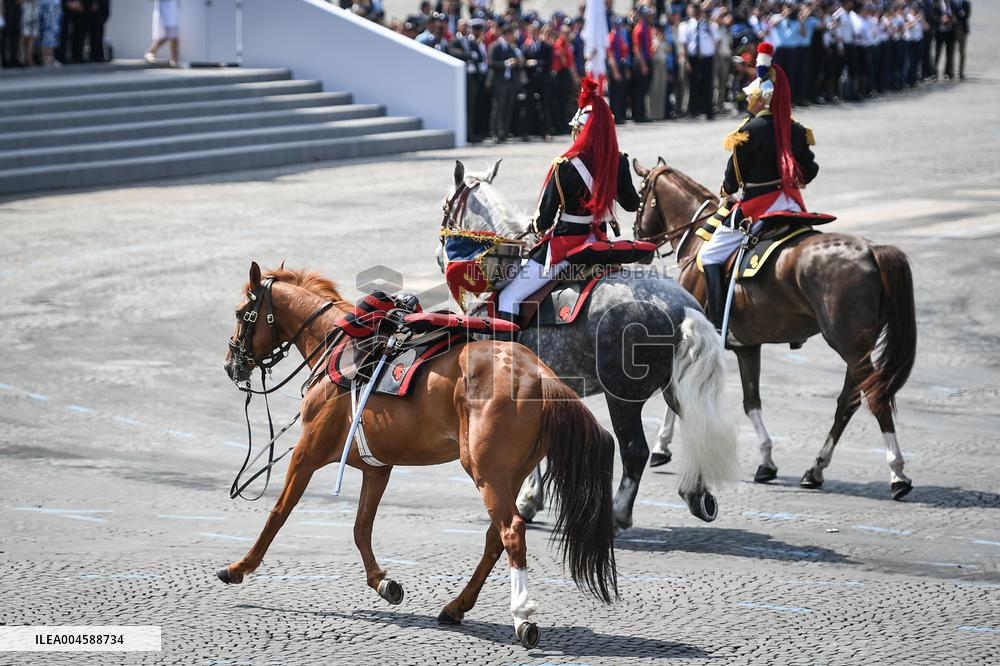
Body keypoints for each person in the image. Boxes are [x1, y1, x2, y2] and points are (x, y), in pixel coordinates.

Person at [495, 76, 639, 324]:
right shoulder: (619, 160)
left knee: (509, 296)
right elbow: (631, 204)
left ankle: (508, 360)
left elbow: (543, 221)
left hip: (567, 246)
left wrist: (536, 226)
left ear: (581, 131)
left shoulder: (564, 166)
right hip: (600, 241)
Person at [699, 42, 819, 331]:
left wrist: (727, 188)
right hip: (789, 203)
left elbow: (733, 179)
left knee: (709, 255)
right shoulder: (796, 129)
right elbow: (810, 170)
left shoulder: (748, 132)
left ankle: (718, 324)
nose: (748, 102)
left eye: (751, 97)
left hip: (758, 207)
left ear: (762, 100)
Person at [488, 22, 522, 142]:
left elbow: (517, 64)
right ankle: (495, 132)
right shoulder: (495, 46)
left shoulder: (512, 48)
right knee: (498, 108)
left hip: (509, 82)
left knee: (508, 108)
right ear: (506, 34)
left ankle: (504, 132)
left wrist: (516, 62)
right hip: (498, 82)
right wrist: (506, 63)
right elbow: (491, 63)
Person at [145, 0, 178, 67]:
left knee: (173, 36)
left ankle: (174, 61)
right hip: (163, 11)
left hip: (171, 11)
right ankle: (150, 52)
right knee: (166, 36)